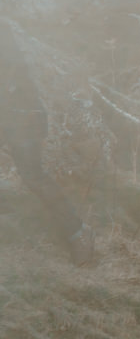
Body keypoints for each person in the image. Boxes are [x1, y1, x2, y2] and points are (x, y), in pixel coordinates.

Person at [0, 20, 93, 265]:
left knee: (33, 176)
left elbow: (9, 72)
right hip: (10, 112)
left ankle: (78, 232)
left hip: (22, 115)